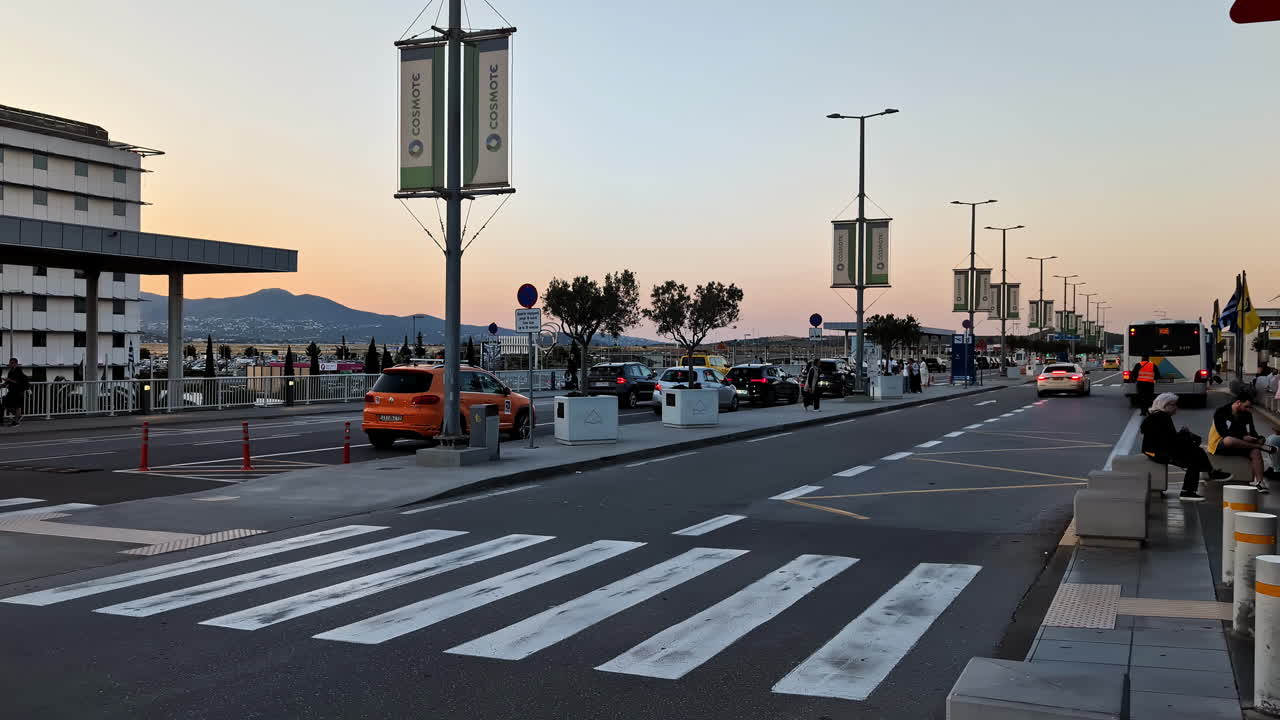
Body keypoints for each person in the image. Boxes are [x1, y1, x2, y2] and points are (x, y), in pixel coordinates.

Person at [1141, 392, 1232, 502]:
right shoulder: (1162, 417)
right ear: (1165, 405)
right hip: (1156, 452)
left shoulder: (1158, 416)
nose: (1176, 407)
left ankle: (1207, 474)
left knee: (1196, 451)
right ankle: (1190, 489)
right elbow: (1170, 441)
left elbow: (1168, 438)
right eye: (1174, 405)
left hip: (1158, 449)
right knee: (1194, 459)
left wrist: (1186, 436)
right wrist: (1186, 436)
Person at [1208, 385, 1275, 493]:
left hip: (1241, 443)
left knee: (1256, 452)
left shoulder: (1247, 415)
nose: (1248, 409)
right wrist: (1243, 437)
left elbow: (1252, 431)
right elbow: (1223, 432)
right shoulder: (1221, 412)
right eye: (1246, 406)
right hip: (1220, 444)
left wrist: (1259, 439)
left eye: (1250, 407)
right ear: (1238, 402)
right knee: (1229, 439)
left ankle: (1259, 482)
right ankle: (1259, 447)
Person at [2, 358, 29, 427]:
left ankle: (16, 422)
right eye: (10, 363)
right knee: (6, 404)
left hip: (19, 391)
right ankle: (18, 416)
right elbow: (8, 381)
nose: (11, 364)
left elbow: (17, 382)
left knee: (17, 406)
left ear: (16, 363)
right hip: (12, 391)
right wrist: (3, 385)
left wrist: (8, 380)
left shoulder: (19, 371)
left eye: (13, 363)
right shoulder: (10, 371)